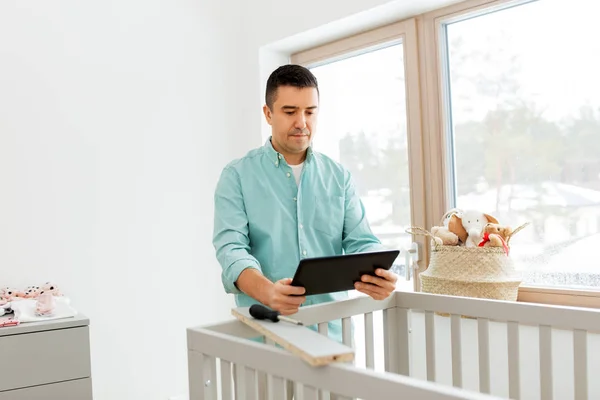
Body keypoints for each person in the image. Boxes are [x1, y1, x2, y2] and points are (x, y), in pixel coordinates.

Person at [212, 64, 397, 341]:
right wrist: (268, 292)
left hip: (332, 334)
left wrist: (379, 273)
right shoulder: (236, 176)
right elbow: (231, 250)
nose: (302, 122)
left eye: (310, 112)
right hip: (265, 337)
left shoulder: (339, 177)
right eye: (290, 112)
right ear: (268, 114)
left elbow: (362, 241)